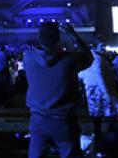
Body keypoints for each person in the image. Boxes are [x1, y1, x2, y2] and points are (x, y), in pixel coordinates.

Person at [23, 22, 93, 158]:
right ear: (58, 39)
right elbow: (88, 57)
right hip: (63, 120)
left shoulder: (28, 56)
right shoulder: (70, 61)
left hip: (38, 119)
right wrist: (73, 35)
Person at [78, 44, 118, 143]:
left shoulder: (87, 58)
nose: (104, 49)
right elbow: (100, 76)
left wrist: (86, 82)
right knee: (111, 113)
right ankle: (109, 138)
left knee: (96, 116)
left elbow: (80, 74)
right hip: (100, 91)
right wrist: (106, 92)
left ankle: (98, 137)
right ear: (95, 48)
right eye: (101, 47)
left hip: (91, 90)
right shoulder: (98, 59)